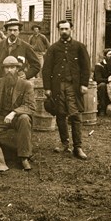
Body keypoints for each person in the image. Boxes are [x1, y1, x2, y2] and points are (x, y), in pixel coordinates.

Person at [42, 20, 90, 160]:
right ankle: (64, 144)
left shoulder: (79, 47)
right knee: (60, 115)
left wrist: (84, 84)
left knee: (75, 115)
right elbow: (46, 69)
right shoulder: (53, 48)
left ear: (71, 29)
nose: (64, 31)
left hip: (73, 87)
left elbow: (86, 67)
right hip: (58, 87)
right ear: (58, 30)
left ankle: (78, 147)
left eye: (66, 29)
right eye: (61, 29)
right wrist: (47, 87)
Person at [0, 56, 36, 171]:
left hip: (18, 117)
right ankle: (21, 148)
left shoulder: (26, 85)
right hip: (2, 117)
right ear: (3, 69)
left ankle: (24, 158)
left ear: (17, 69)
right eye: (7, 68)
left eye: (12, 67)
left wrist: (14, 112)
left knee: (24, 118)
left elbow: (31, 106)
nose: (9, 70)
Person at [0, 18, 40, 84]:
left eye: (15, 30)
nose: (12, 32)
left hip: (18, 84)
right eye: (10, 30)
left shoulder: (25, 46)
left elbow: (36, 65)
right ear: (6, 31)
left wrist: (26, 75)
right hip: (0, 83)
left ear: (19, 31)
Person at [93, 48, 111, 116]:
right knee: (103, 85)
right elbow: (98, 79)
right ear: (105, 56)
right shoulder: (99, 66)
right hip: (100, 85)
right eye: (109, 54)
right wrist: (108, 80)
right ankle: (102, 109)